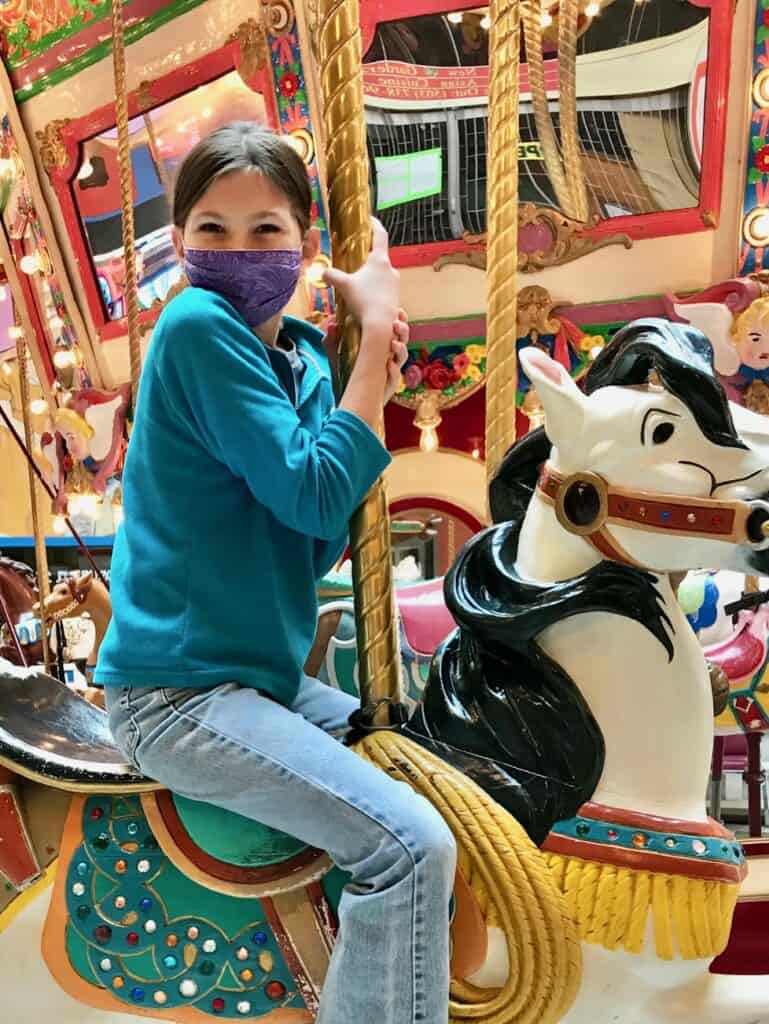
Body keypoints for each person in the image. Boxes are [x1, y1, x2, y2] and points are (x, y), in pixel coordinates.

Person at [95, 123, 456, 1024]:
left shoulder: (292, 358)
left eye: (266, 230)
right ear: (179, 243)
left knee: (438, 767)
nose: (238, 250)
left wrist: (353, 371)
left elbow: (318, 531)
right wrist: (374, 343)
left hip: (259, 683)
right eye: (211, 229)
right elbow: (308, 492)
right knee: (408, 846)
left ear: (305, 245)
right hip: (178, 696)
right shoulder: (195, 326)